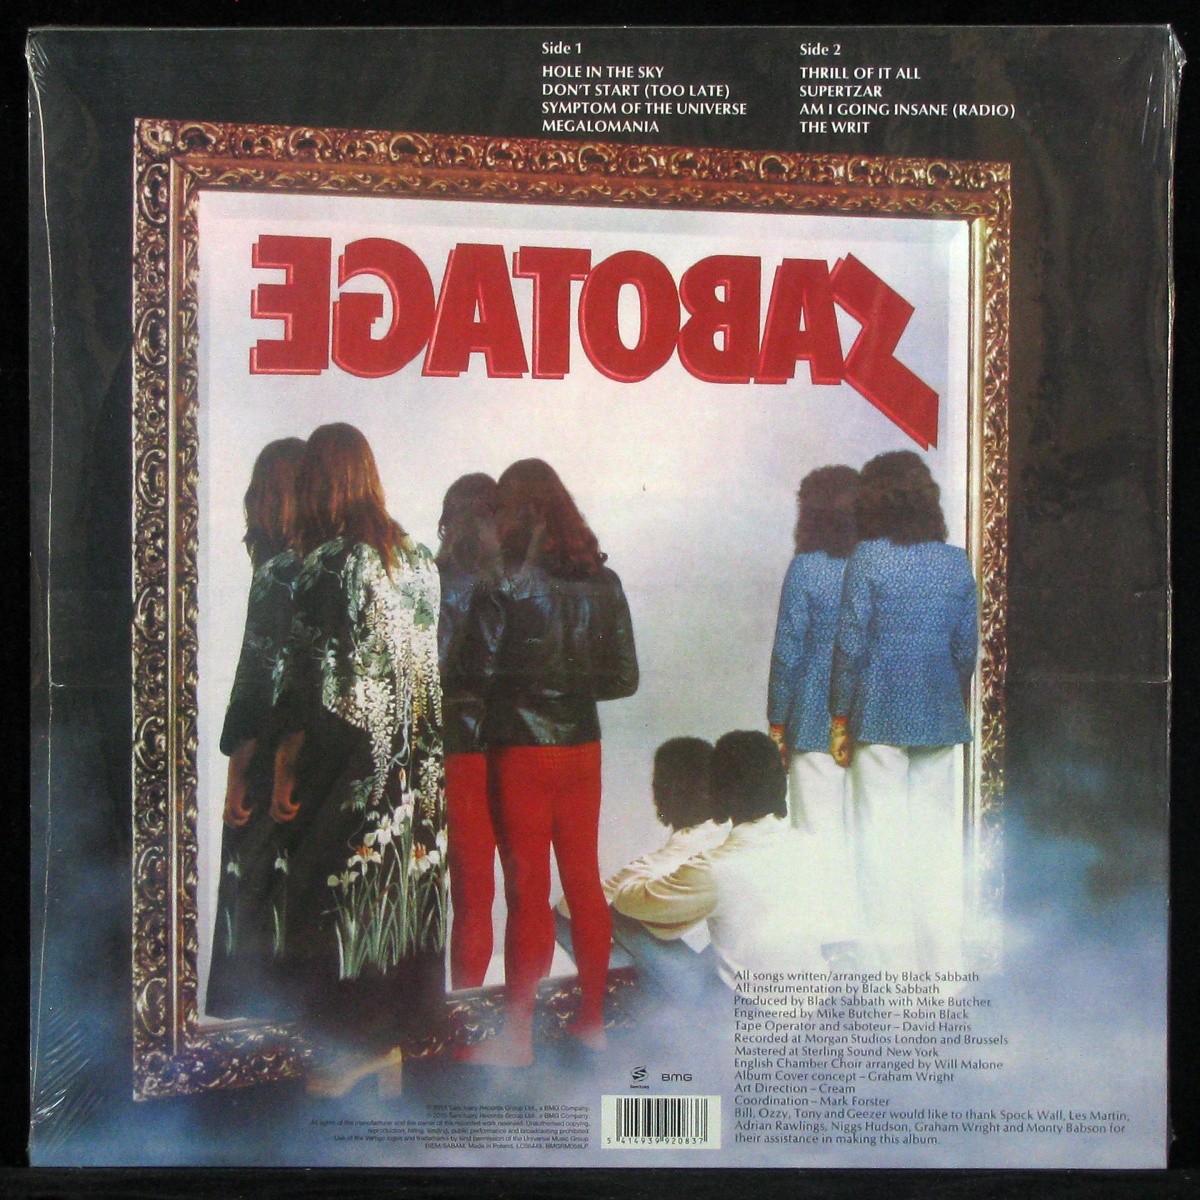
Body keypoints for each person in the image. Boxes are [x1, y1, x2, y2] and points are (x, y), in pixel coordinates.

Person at [268, 422, 446, 1097]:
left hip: (348, 761)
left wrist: (285, 762)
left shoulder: (327, 562)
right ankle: (390, 1043)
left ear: (319, 482)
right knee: (400, 893)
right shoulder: (418, 558)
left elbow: (301, 679)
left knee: (336, 897)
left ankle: (348, 1051)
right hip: (417, 766)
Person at [456, 459, 639, 1066]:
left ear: (515, 511)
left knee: (528, 894)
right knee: (585, 882)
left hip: (520, 751)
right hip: (582, 747)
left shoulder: (502, 581)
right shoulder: (603, 581)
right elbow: (623, 679)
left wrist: (523, 688)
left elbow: (473, 673)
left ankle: (517, 1039)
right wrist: (568, 684)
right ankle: (592, 1024)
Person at [829, 449, 978, 973]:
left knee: (881, 850)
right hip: (938, 714)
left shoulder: (868, 557)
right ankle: (945, 972)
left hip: (878, 715)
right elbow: (965, 650)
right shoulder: (955, 560)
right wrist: (947, 697)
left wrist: (839, 717)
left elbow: (849, 646)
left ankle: (893, 979)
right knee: (936, 850)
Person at [611, 731, 841, 990]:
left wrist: (644, 878)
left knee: (617, 914)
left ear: (717, 793)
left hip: (747, 1007)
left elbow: (628, 901)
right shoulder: (807, 844)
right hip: (812, 998)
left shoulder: (715, 867)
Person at [206, 437, 306, 1020]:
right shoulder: (339, 563)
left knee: (252, 890)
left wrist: (236, 774)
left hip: (270, 750)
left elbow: (254, 681)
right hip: (320, 752)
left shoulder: (277, 573)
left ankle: (253, 1028)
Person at [554, 737, 729, 1001]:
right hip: (735, 971)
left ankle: (629, 992)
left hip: (698, 987)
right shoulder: (735, 839)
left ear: (661, 793)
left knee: (571, 914)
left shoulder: (666, 860)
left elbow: (571, 907)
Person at [767, 465, 860, 902]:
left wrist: (777, 724)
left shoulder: (806, 568)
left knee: (815, 842)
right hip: (873, 716)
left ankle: (823, 927)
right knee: (869, 841)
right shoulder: (880, 565)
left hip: (812, 717)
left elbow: (788, 652)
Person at [436, 473, 502, 989]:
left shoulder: (433, 578)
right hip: (510, 745)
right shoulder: (514, 580)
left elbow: (431, 664)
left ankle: (459, 1006)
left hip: (453, 745)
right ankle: (490, 1012)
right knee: (514, 894)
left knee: (466, 896)